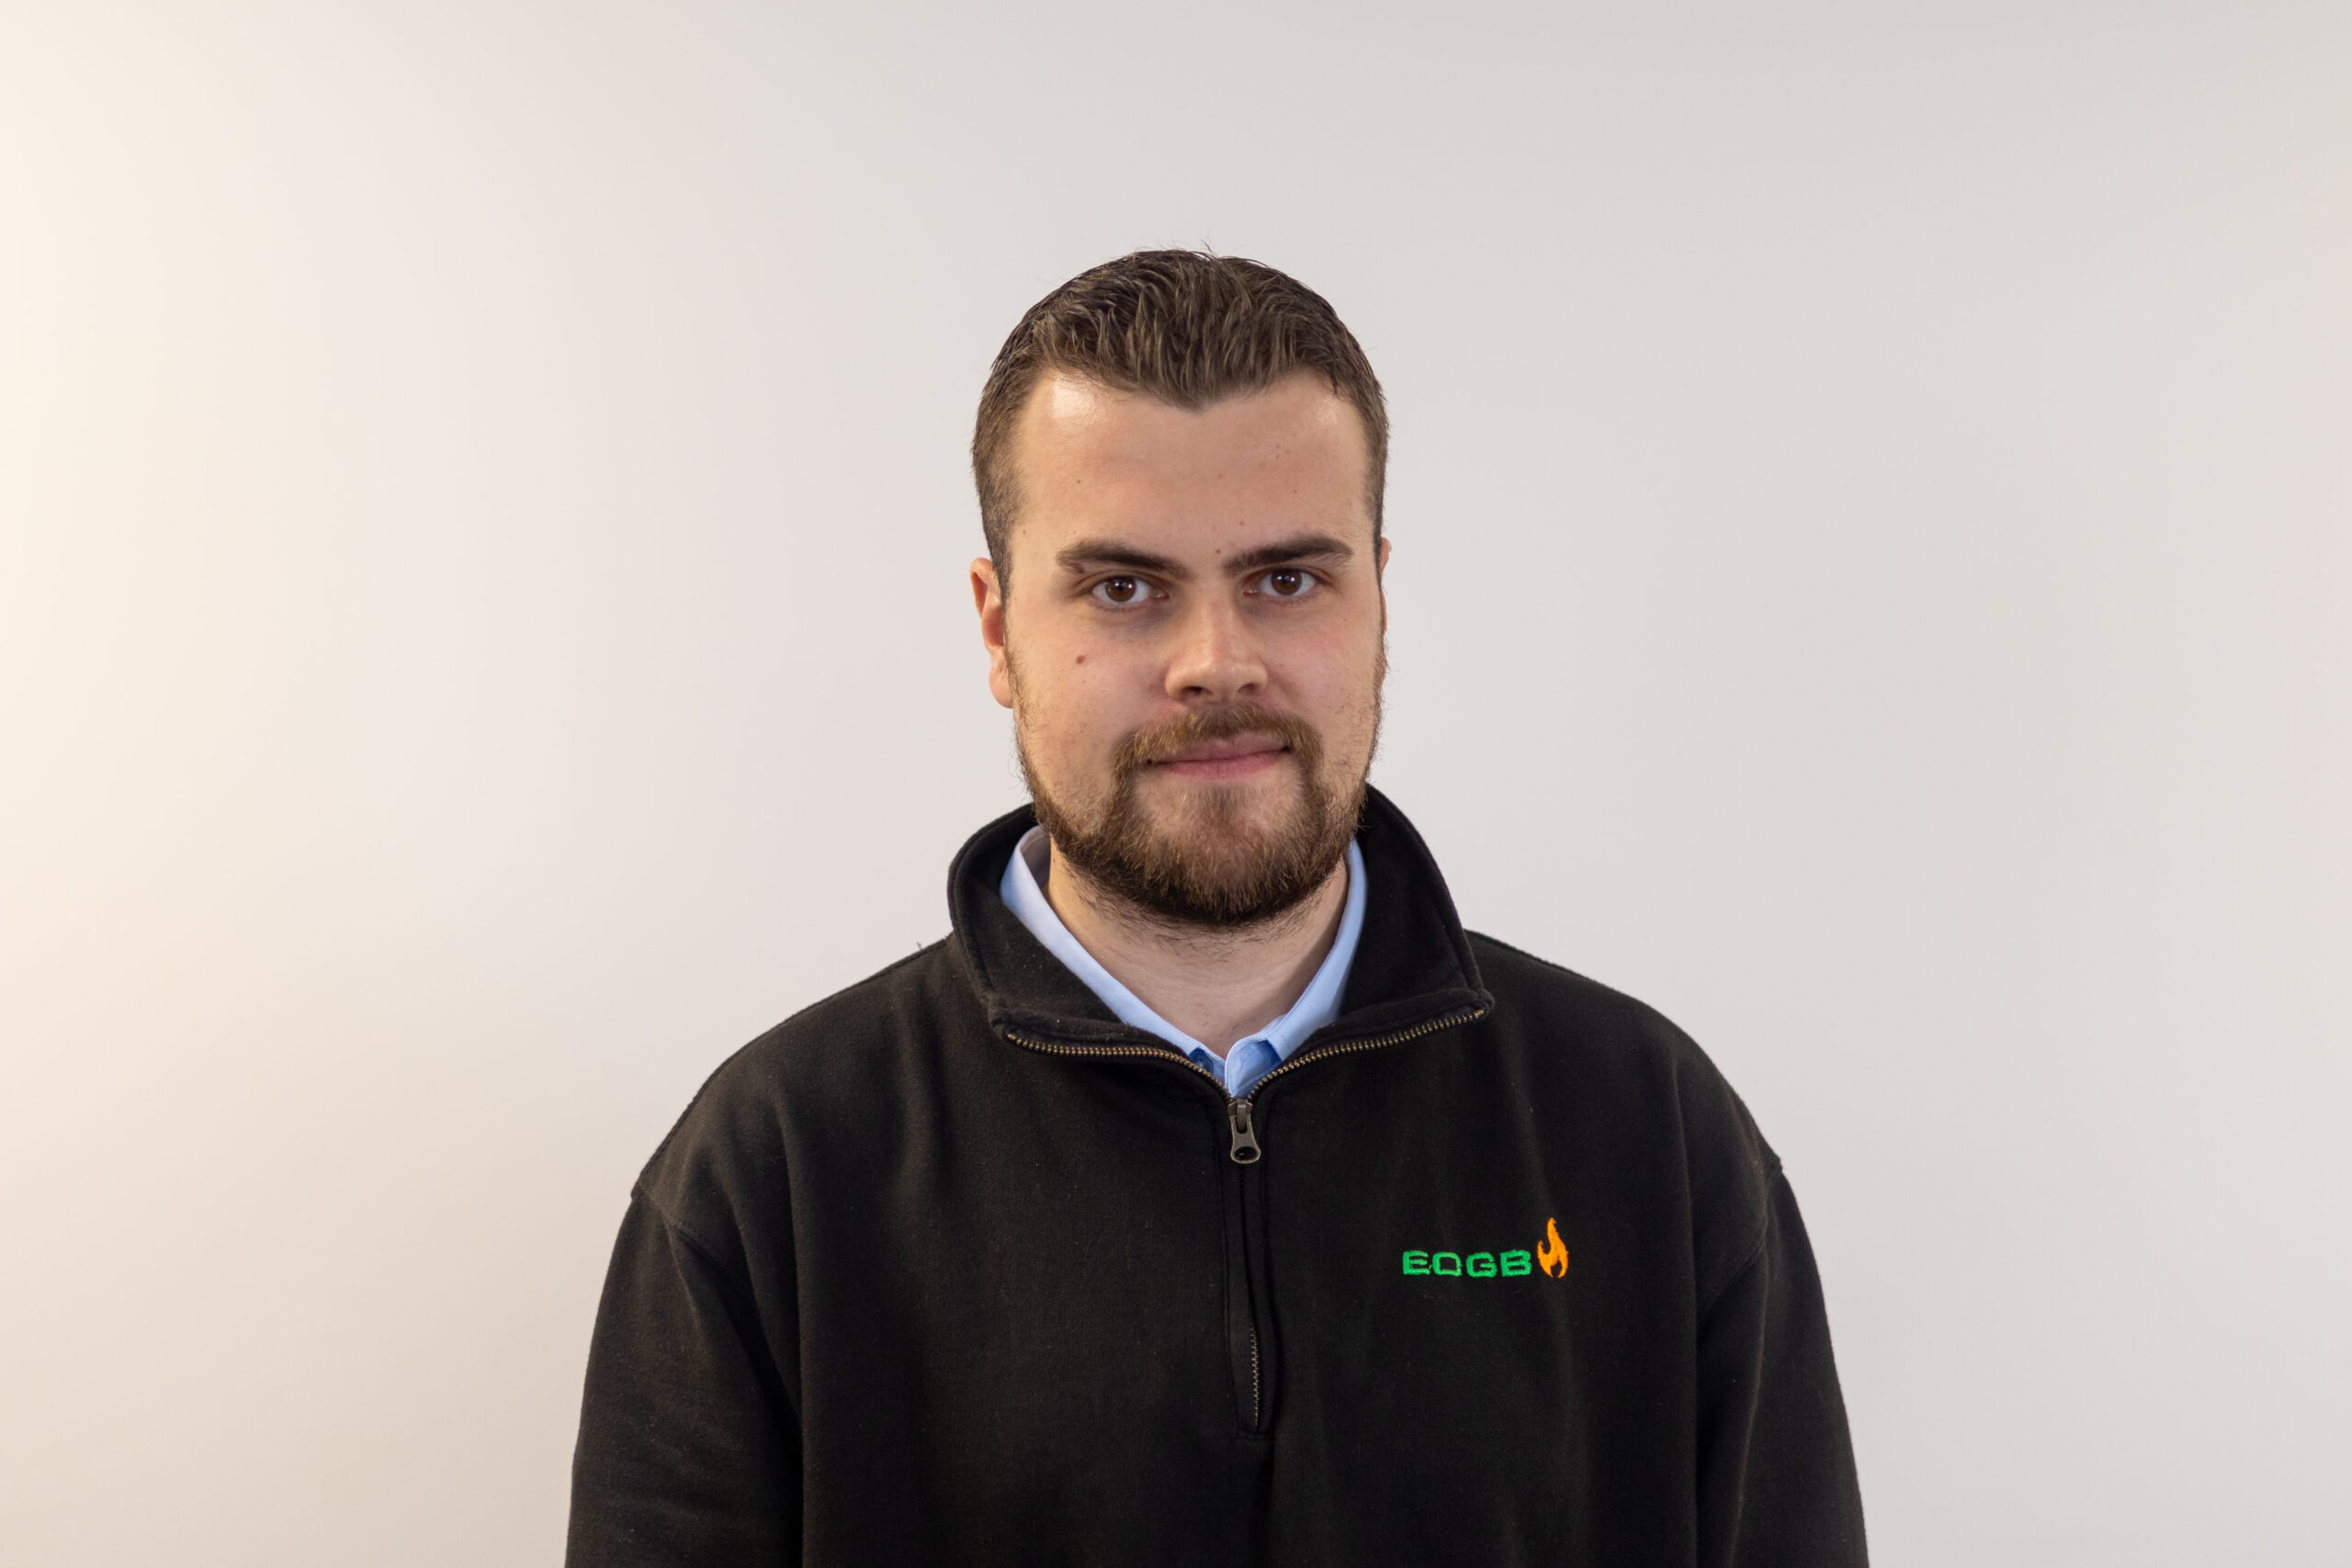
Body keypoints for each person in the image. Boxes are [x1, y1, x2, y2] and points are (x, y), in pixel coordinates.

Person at [565, 251, 1866, 1566]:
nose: (1217, 664)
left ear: (1379, 599)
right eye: (1124, 588)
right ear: (998, 631)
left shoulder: (1649, 1133)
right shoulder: (776, 1172)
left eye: (1286, 580)